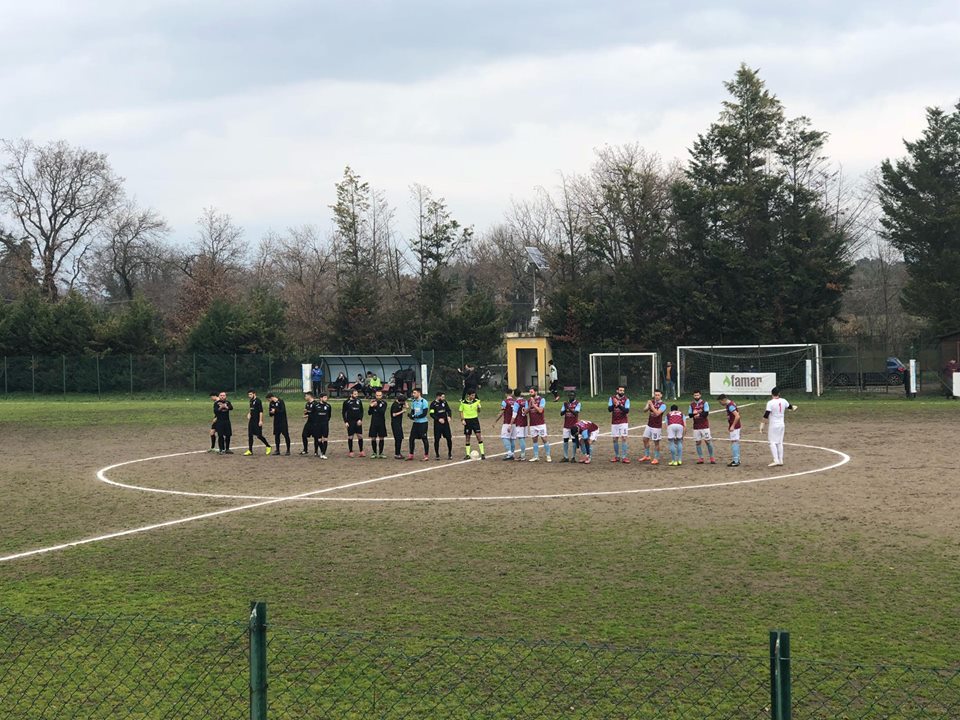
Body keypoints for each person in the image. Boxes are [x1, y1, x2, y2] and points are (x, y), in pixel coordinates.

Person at [760, 386, 797, 467]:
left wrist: (762, 425)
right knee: (779, 442)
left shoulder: (770, 403)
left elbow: (766, 415)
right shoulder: (783, 401)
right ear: (779, 393)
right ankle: (780, 460)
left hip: (774, 425)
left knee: (772, 442)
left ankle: (776, 460)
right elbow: (790, 407)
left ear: (772, 394)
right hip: (781, 424)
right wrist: (794, 407)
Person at [688, 390, 716, 464]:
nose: (696, 396)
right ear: (693, 396)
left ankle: (712, 457)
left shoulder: (704, 403)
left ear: (700, 395)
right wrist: (694, 414)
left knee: (708, 441)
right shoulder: (691, 404)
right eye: (695, 395)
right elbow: (690, 415)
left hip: (704, 426)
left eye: (697, 395)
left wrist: (698, 414)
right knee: (698, 442)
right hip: (696, 426)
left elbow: (706, 413)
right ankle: (701, 458)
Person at [639, 390, 667, 465]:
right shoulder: (651, 402)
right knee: (645, 439)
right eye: (655, 395)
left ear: (661, 395)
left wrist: (651, 406)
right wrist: (647, 405)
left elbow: (657, 413)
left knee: (656, 442)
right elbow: (644, 410)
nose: (656, 396)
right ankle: (647, 455)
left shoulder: (663, 405)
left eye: (658, 395)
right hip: (649, 424)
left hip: (656, 426)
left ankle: (656, 458)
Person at [526, 387, 552, 462]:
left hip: (540, 423)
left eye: (532, 392)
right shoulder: (528, 401)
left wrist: (533, 405)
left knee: (544, 439)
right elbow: (525, 412)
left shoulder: (542, 400)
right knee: (534, 440)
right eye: (530, 392)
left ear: (536, 392)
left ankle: (548, 455)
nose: (530, 393)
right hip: (532, 424)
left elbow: (540, 410)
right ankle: (536, 456)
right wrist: (530, 405)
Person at [459, 388, 485, 459]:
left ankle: (482, 453)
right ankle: (467, 454)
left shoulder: (476, 401)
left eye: (474, 395)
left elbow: (479, 411)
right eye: (472, 395)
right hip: (467, 421)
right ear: (468, 395)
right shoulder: (463, 402)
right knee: (467, 437)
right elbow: (461, 411)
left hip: (475, 420)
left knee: (478, 436)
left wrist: (479, 408)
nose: (473, 397)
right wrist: (462, 420)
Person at [492, 388, 518, 461]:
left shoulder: (505, 402)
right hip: (514, 423)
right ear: (512, 393)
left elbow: (501, 412)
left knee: (504, 437)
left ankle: (509, 453)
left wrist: (495, 421)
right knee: (512, 439)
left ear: (506, 394)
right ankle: (512, 453)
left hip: (507, 423)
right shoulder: (515, 402)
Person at [244, 389, 272, 456]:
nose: (249, 396)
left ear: (254, 394)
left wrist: (260, 420)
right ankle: (250, 450)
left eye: (250, 394)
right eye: (248, 394)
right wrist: (249, 414)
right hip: (251, 421)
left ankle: (268, 446)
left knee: (259, 435)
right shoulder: (251, 401)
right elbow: (251, 409)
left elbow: (261, 411)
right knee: (250, 435)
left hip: (257, 421)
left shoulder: (258, 401)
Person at [608, 385, 631, 463]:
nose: (622, 392)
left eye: (623, 391)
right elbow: (609, 409)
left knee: (624, 438)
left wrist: (619, 405)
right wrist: (614, 404)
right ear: (617, 391)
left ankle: (624, 457)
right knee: (615, 439)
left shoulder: (626, 399)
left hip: (623, 422)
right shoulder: (612, 398)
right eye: (620, 390)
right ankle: (617, 456)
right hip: (614, 422)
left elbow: (626, 411)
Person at [718, 394, 741, 467]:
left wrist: (733, 426)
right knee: (735, 442)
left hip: (735, 427)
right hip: (736, 426)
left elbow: (737, 416)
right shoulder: (731, 403)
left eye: (720, 402)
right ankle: (737, 459)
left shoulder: (730, 406)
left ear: (723, 400)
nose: (720, 403)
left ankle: (736, 461)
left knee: (734, 442)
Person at [407, 387, 430, 461]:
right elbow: (412, 412)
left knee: (424, 438)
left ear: (419, 393)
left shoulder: (424, 402)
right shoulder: (413, 402)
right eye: (413, 393)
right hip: (416, 423)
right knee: (411, 438)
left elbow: (424, 414)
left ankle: (426, 455)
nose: (413, 394)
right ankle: (411, 455)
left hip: (423, 423)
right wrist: (411, 416)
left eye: (414, 393)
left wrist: (415, 416)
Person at [429, 391, 454, 460]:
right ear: (438, 397)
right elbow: (431, 414)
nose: (443, 398)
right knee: (437, 439)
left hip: (445, 423)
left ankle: (450, 453)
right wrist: (438, 419)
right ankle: (437, 455)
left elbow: (449, 410)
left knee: (449, 438)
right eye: (442, 397)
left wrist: (449, 416)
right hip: (437, 424)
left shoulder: (444, 402)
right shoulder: (433, 404)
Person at [559, 391, 581, 462]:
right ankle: (565, 457)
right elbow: (561, 414)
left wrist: (568, 408)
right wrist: (565, 409)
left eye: (572, 395)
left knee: (574, 441)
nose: (571, 397)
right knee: (565, 440)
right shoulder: (565, 403)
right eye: (570, 395)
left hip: (574, 426)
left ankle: (573, 457)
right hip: (566, 425)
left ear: (575, 396)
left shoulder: (578, 403)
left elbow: (576, 413)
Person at [342, 388, 365, 457]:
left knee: (360, 436)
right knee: (350, 436)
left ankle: (361, 451)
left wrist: (360, 419)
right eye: (355, 394)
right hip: (350, 421)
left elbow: (361, 411)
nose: (356, 395)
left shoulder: (359, 401)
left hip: (358, 421)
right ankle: (351, 451)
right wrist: (346, 422)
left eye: (357, 394)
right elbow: (343, 413)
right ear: (351, 394)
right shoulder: (346, 402)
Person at [367, 389, 388, 458]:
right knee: (373, 437)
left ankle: (381, 453)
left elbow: (382, 412)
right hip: (374, 422)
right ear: (375, 395)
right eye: (377, 395)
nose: (378, 397)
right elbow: (369, 413)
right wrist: (371, 406)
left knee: (381, 437)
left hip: (381, 422)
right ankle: (374, 453)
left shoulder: (384, 403)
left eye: (380, 395)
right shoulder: (373, 402)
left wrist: (376, 406)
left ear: (382, 396)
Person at [300, 392, 321, 456]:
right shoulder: (307, 404)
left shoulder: (316, 404)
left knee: (316, 437)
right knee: (304, 435)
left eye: (306, 396)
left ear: (310, 396)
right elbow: (307, 413)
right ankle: (305, 450)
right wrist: (305, 413)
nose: (305, 397)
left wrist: (308, 415)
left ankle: (316, 451)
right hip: (309, 422)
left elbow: (316, 414)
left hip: (315, 423)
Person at [512, 388, 529, 461]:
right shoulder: (525, 401)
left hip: (519, 422)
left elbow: (514, 414)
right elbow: (527, 410)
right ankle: (523, 454)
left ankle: (523, 455)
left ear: (514, 394)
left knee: (521, 438)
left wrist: (510, 424)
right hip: (525, 421)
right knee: (523, 438)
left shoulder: (516, 402)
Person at [390, 394, 407, 459]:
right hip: (395, 424)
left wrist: (405, 405)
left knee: (400, 438)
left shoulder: (399, 404)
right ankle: (397, 454)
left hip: (399, 423)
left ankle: (398, 453)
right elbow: (394, 414)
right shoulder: (395, 405)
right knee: (398, 438)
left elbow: (407, 406)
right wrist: (402, 411)